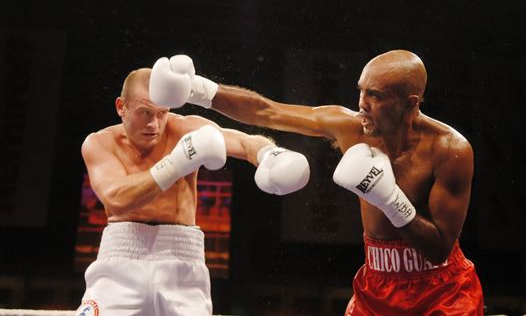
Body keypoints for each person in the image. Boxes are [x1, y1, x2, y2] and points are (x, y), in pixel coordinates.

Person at [149, 50, 484, 315]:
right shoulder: (350, 126)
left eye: (376, 96)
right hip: (377, 286)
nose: (362, 104)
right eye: (361, 91)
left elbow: (440, 249)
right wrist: (199, 90)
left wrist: (389, 198)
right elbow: (268, 112)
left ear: (410, 103)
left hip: (443, 293)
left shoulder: (449, 150)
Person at [75, 66, 310, 316]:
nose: (154, 124)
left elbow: (245, 141)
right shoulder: (99, 143)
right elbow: (117, 198)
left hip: (181, 261)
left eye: (162, 113)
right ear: (121, 107)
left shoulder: (185, 129)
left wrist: (270, 155)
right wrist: (177, 163)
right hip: (120, 260)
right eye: (144, 112)